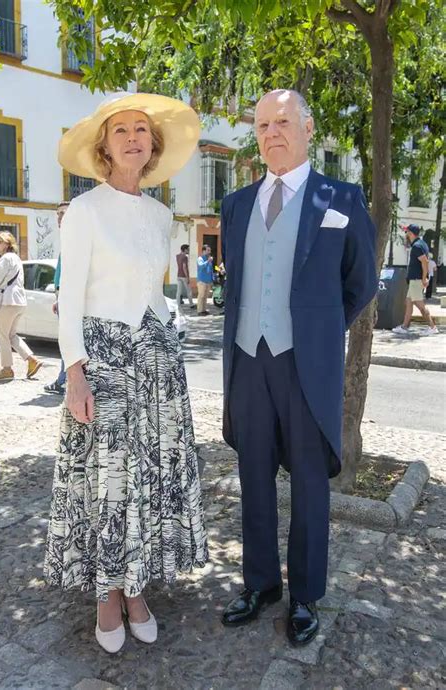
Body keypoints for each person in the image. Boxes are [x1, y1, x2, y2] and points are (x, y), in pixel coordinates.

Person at [43, 92, 208, 654]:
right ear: (105, 147)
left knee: (146, 482)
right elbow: (69, 297)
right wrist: (75, 374)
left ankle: (136, 588)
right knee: (108, 483)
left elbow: (155, 292)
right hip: (105, 360)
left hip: (157, 359)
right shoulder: (84, 212)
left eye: (143, 129)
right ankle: (106, 595)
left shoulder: (163, 216)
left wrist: (170, 333)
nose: (134, 137)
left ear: (153, 145)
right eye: (122, 131)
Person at [220, 89, 377, 646]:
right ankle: (261, 583)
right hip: (247, 360)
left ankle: (306, 594)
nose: (271, 133)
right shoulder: (236, 205)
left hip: (305, 364)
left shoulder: (343, 198)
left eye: (282, 121)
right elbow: (237, 284)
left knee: (310, 483)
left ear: (308, 127)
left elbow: (359, 284)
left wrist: (318, 328)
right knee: (253, 477)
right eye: (262, 125)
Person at [0, 231, 43, 381]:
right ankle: (32, 360)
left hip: (8, 301)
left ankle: (7, 369)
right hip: (19, 302)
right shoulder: (16, 258)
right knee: (10, 335)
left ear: (7, 244)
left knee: (1, 335)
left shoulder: (4, 259)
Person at [392, 225, 438, 335]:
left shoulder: (417, 246)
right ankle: (404, 326)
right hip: (415, 280)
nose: (406, 234)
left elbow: (425, 262)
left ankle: (432, 327)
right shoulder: (421, 244)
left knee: (420, 305)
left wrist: (424, 278)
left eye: (407, 232)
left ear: (411, 233)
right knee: (408, 303)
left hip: (417, 280)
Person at [44, 201, 70, 395]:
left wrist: (63, 297)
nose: (59, 218)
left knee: (68, 342)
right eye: (58, 214)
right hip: (63, 297)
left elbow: (72, 272)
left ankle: (64, 381)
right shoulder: (68, 237)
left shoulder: (75, 238)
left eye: (63, 213)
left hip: (69, 298)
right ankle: (63, 379)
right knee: (66, 341)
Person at [176, 243, 195, 308]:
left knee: (179, 291)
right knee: (189, 290)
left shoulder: (177, 256)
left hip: (178, 275)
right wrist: (187, 277)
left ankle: (178, 305)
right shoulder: (185, 257)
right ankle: (191, 304)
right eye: (188, 249)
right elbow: (184, 267)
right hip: (184, 276)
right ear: (185, 250)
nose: (189, 251)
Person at [197, 244, 213, 315]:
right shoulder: (200, 259)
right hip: (202, 281)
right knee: (201, 296)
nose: (209, 252)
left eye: (210, 250)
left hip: (208, 281)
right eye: (208, 250)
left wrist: (212, 279)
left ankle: (204, 310)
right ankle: (200, 311)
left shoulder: (209, 259)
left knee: (205, 297)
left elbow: (210, 270)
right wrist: (208, 261)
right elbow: (201, 267)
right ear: (203, 251)